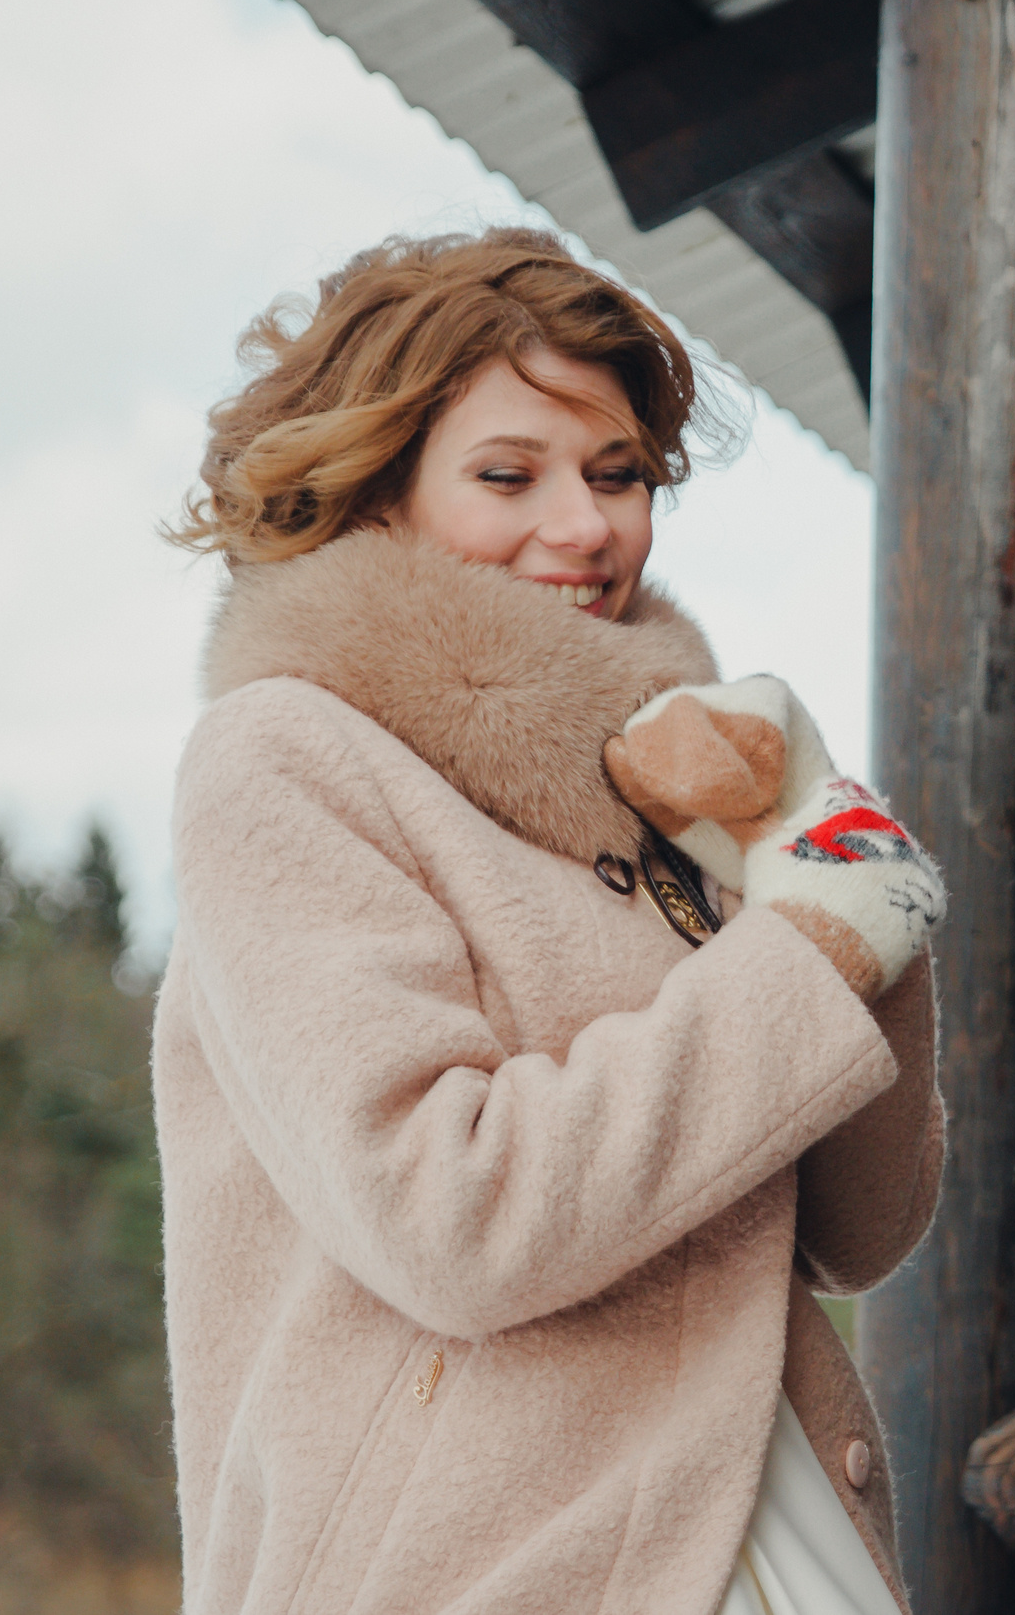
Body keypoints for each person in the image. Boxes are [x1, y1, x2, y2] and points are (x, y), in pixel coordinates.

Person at [155, 227, 945, 1615]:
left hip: (771, 1535)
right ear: (380, 491)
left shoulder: (675, 787)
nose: (583, 526)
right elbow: (449, 1215)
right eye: (508, 475)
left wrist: (831, 882)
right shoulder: (286, 761)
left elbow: (854, 1233)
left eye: (620, 474)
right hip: (482, 1572)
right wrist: (805, 951)